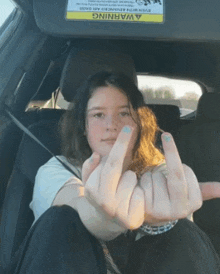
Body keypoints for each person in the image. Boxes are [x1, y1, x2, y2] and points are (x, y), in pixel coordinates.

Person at [7, 71, 220, 273]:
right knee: (61, 220)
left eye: (124, 113)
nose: (112, 125)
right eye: (98, 114)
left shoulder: (161, 172)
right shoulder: (57, 168)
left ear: (139, 123)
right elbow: (75, 202)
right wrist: (102, 217)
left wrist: (163, 223)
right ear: (84, 126)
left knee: (182, 232)